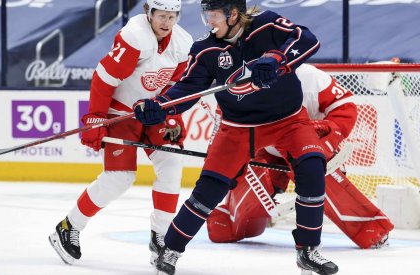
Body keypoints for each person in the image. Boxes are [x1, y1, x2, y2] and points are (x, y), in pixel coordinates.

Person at [133, 1, 339, 274]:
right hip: (237, 127)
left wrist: (278, 59)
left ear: (233, 14)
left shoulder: (267, 25)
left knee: (312, 166)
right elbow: (188, 89)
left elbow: (307, 39)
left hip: (287, 121)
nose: (208, 21)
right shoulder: (205, 49)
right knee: (209, 190)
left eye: (213, 15)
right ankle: (169, 250)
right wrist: (159, 106)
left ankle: (308, 251)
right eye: (205, 15)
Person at [48, 0, 193, 266]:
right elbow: (103, 78)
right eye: (161, 15)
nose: (166, 22)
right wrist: (96, 117)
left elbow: (175, 86)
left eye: (172, 16)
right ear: (148, 12)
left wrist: (171, 115)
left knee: (172, 161)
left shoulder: (183, 42)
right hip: (122, 110)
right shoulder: (134, 36)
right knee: (120, 177)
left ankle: (160, 237)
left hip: (153, 111)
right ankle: (69, 227)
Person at [206, 64, 394, 249]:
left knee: (319, 173)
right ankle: (236, 220)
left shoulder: (311, 77)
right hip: (267, 149)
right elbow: (224, 127)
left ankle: (370, 227)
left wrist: (328, 131)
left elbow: (345, 107)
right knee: (224, 227)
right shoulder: (242, 80)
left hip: (310, 146)